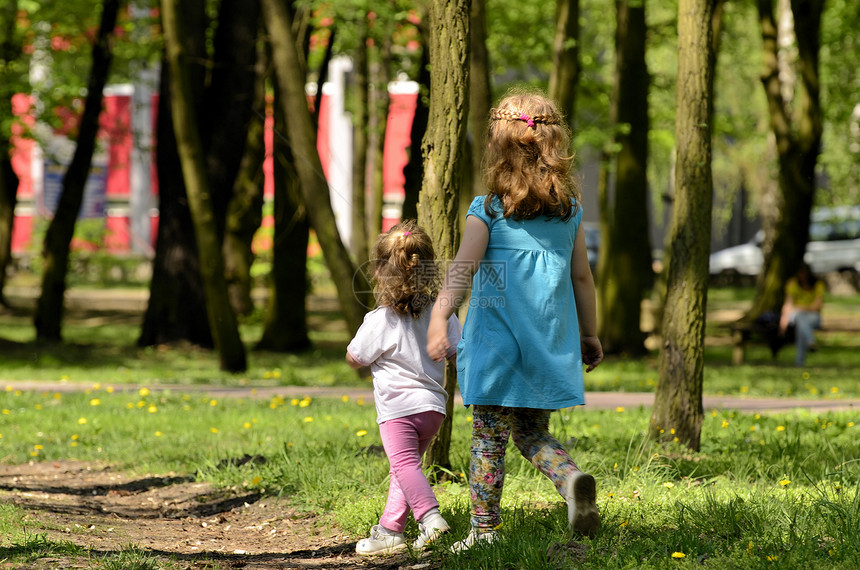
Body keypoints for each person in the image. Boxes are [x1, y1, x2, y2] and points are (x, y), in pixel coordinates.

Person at [426, 89, 604, 550]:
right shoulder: (569, 214)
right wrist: (590, 334)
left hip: (495, 349)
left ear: (498, 147)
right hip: (548, 346)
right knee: (532, 432)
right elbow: (582, 279)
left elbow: (462, 269)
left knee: (489, 439)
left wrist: (439, 317)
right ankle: (570, 481)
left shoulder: (487, 210)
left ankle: (484, 531)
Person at [346, 220, 462, 555]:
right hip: (433, 410)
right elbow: (458, 352)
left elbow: (355, 357)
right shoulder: (442, 314)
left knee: (405, 466)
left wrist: (357, 358)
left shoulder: (380, 319)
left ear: (380, 272)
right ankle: (390, 531)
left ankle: (430, 517)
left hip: (398, 412)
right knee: (405, 469)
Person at [779, 262, 825, 367]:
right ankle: (810, 341)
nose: (802, 276)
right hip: (796, 315)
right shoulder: (792, 284)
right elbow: (788, 304)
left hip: (812, 316)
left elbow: (816, 306)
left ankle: (799, 362)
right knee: (800, 318)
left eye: (804, 274)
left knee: (801, 325)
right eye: (800, 274)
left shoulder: (818, 285)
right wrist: (784, 320)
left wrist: (799, 308)